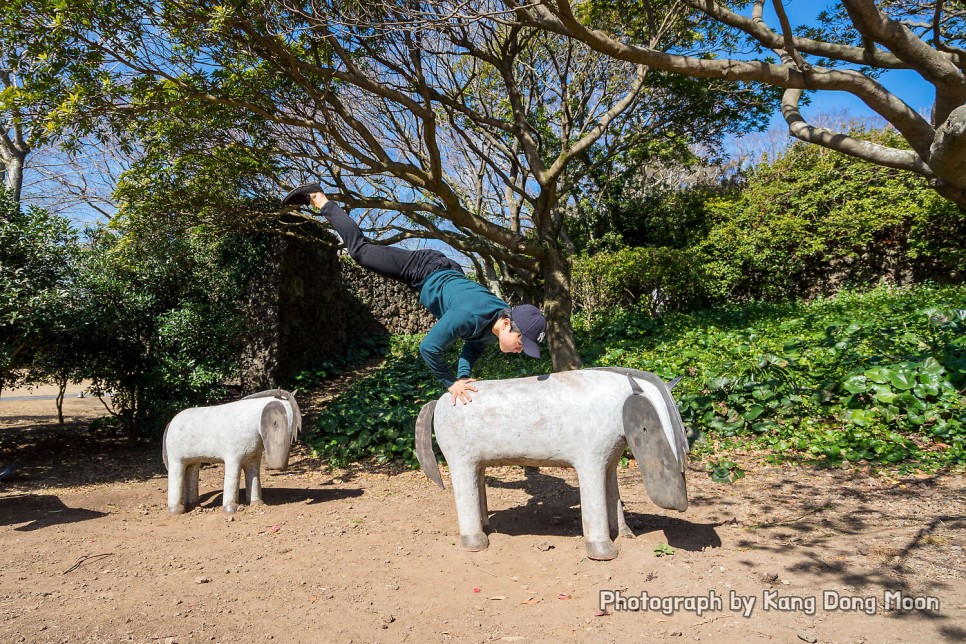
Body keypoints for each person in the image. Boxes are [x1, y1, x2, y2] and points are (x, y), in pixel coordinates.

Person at [283, 182, 547, 405]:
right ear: (505, 324)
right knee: (360, 252)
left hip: (447, 273)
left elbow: (474, 345)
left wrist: (463, 375)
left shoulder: (497, 323)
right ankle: (317, 196)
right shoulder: (468, 315)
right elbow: (429, 348)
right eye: (522, 343)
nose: (520, 351)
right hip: (422, 268)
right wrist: (449, 382)